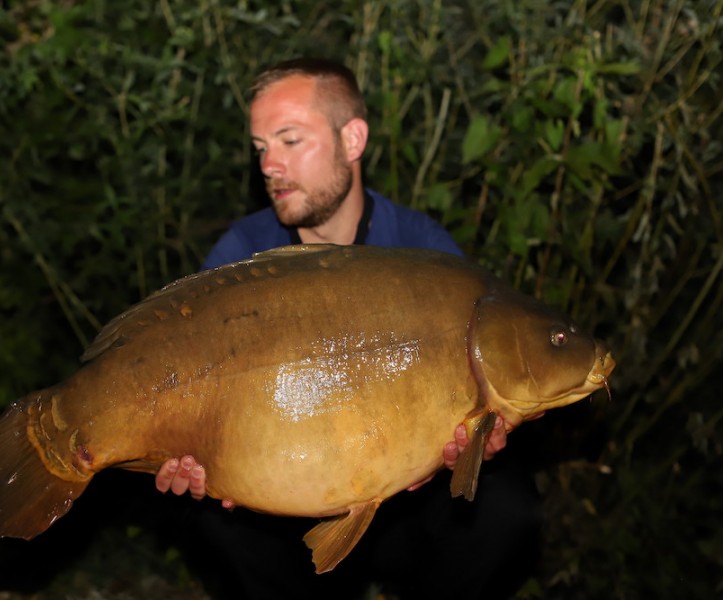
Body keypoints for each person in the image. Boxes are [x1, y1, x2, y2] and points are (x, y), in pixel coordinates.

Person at [155, 58, 540, 599]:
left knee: (506, 511)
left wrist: (483, 437)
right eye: (262, 147)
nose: (270, 165)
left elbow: (481, 396)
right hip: (283, 507)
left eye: (289, 141)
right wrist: (186, 454)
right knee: (212, 521)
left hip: (411, 505)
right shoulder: (241, 258)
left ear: (352, 139)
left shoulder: (420, 248)